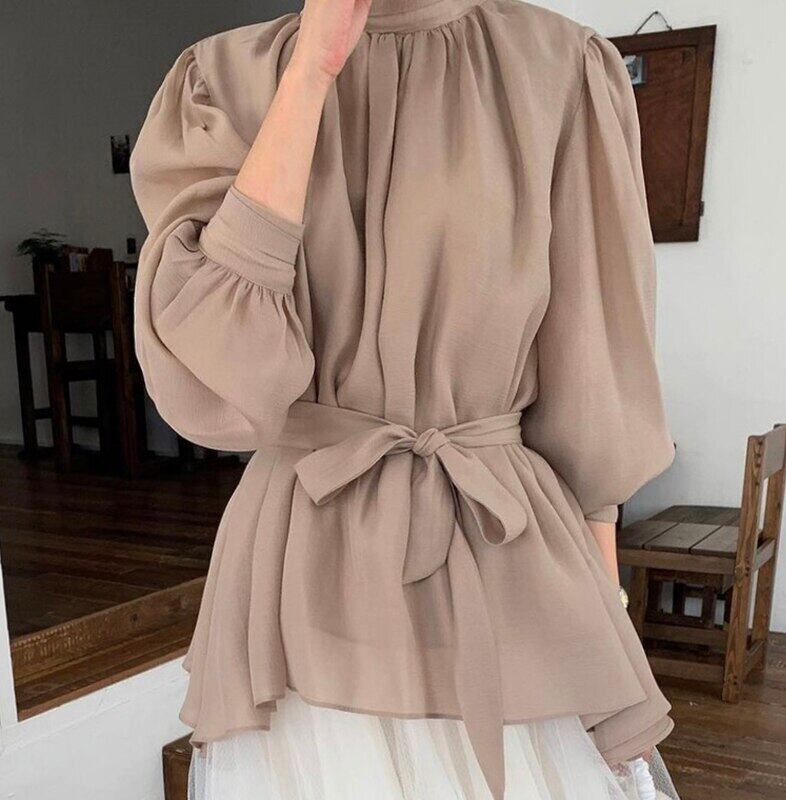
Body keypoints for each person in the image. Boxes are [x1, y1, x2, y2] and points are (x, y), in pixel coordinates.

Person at [131, 0, 680, 797]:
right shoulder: (219, 82)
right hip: (304, 564)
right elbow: (225, 378)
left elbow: (594, 358)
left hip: (501, 543)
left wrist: (606, 617)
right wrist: (310, 73)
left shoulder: (559, 66)